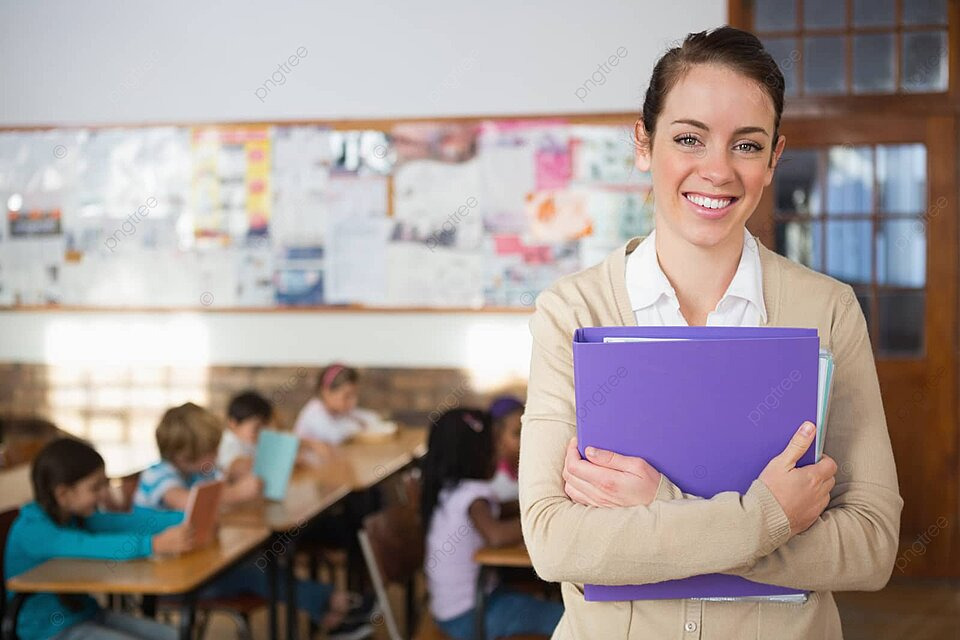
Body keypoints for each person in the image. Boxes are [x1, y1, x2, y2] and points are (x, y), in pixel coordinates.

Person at [519, 26, 902, 639]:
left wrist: (659, 512)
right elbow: (555, 542)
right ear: (643, 144)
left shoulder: (827, 310)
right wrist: (768, 518)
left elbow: (872, 545)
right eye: (689, 138)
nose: (717, 170)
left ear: (775, 158)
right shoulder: (572, 312)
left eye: (746, 146)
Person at [134, 402, 374, 638]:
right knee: (256, 572)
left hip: (201, 566)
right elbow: (185, 500)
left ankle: (330, 613)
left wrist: (236, 479)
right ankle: (334, 606)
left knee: (262, 564)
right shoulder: (158, 475)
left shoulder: (197, 471)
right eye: (211, 452)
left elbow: (219, 486)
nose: (217, 456)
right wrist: (237, 492)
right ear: (184, 456)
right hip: (170, 579)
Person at [4, 438, 189, 640]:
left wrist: (186, 516)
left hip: (86, 615)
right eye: (96, 488)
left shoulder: (74, 516)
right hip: (48, 631)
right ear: (63, 493)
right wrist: (154, 544)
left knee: (174, 636)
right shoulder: (32, 530)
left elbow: (125, 523)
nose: (104, 494)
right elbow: (88, 545)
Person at [422, 409, 562, 640]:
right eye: (493, 447)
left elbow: (505, 508)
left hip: (455, 610)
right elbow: (496, 536)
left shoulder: (451, 490)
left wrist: (537, 502)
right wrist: (546, 517)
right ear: (475, 455)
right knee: (569, 617)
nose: (498, 454)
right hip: (470, 617)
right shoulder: (473, 498)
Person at [295, 364, 381, 458]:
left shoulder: (340, 412)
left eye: (355, 395)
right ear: (327, 392)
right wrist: (357, 425)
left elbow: (373, 418)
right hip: (308, 470)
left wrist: (358, 422)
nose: (353, 401)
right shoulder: (313, 412)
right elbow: (335, 437)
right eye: (347, 396)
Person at [218, 390, 272, 481]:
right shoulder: (228, 443)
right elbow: (231, 467)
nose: (261, 433)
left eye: (264, 428)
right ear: (233, 423)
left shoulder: (250, 442)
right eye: (256, 428)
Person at [487, 395, 523, 503]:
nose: (525, 438)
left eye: (528, 431)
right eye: (517, 433)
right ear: (497, 438)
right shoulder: (491, 480)